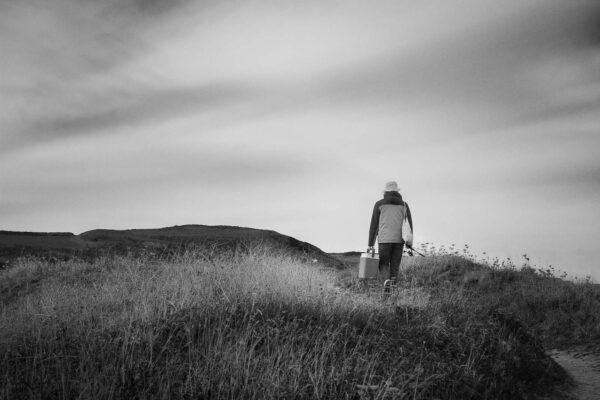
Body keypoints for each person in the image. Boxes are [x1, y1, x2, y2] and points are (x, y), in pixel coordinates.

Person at [368, 181, 413, 282]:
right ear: (397, 191)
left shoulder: (379, 204)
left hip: (384, 240)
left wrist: (371, 243)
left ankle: (386, 281)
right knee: (395, 265)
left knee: (383, 263)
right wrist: (409, 243)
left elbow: (374, 225)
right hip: (399, 240)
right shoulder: (404, 205)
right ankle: (392, 287)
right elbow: (409, 226)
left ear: (385, 191)